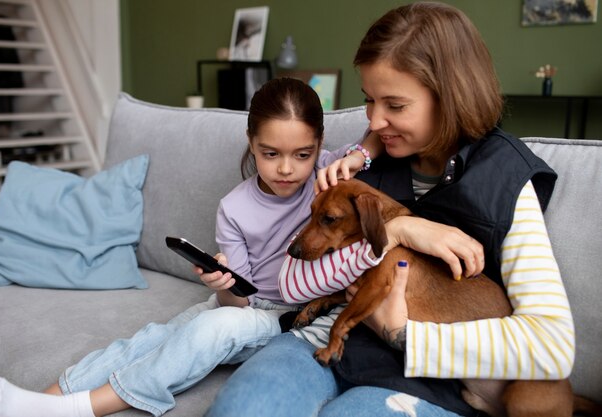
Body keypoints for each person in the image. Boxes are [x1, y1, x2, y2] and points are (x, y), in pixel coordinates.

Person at [205, 3, 575, 417]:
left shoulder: (505, 178)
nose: (376, 121)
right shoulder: (361, 164)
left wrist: (402, 334)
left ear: (450, 96)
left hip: (433, 381)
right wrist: (399, 227)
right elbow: (291, 278)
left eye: (394, 106)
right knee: (239, 410)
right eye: (369, 101)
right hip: (323, 340)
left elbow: (554, 346)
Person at [0, 77, 380, 417]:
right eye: (270, 154)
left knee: (211, 329)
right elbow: (237, 304)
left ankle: (80, 408)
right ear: (251, 142)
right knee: (152, 338)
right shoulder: (234, 208)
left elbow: (378, 132)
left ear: (320, 144)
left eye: (302, 154)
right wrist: (222, 284)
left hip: (284, 315)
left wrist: (360, 155)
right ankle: (39, 401)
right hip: (245, 307)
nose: (287, 169)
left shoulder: (329, 176)